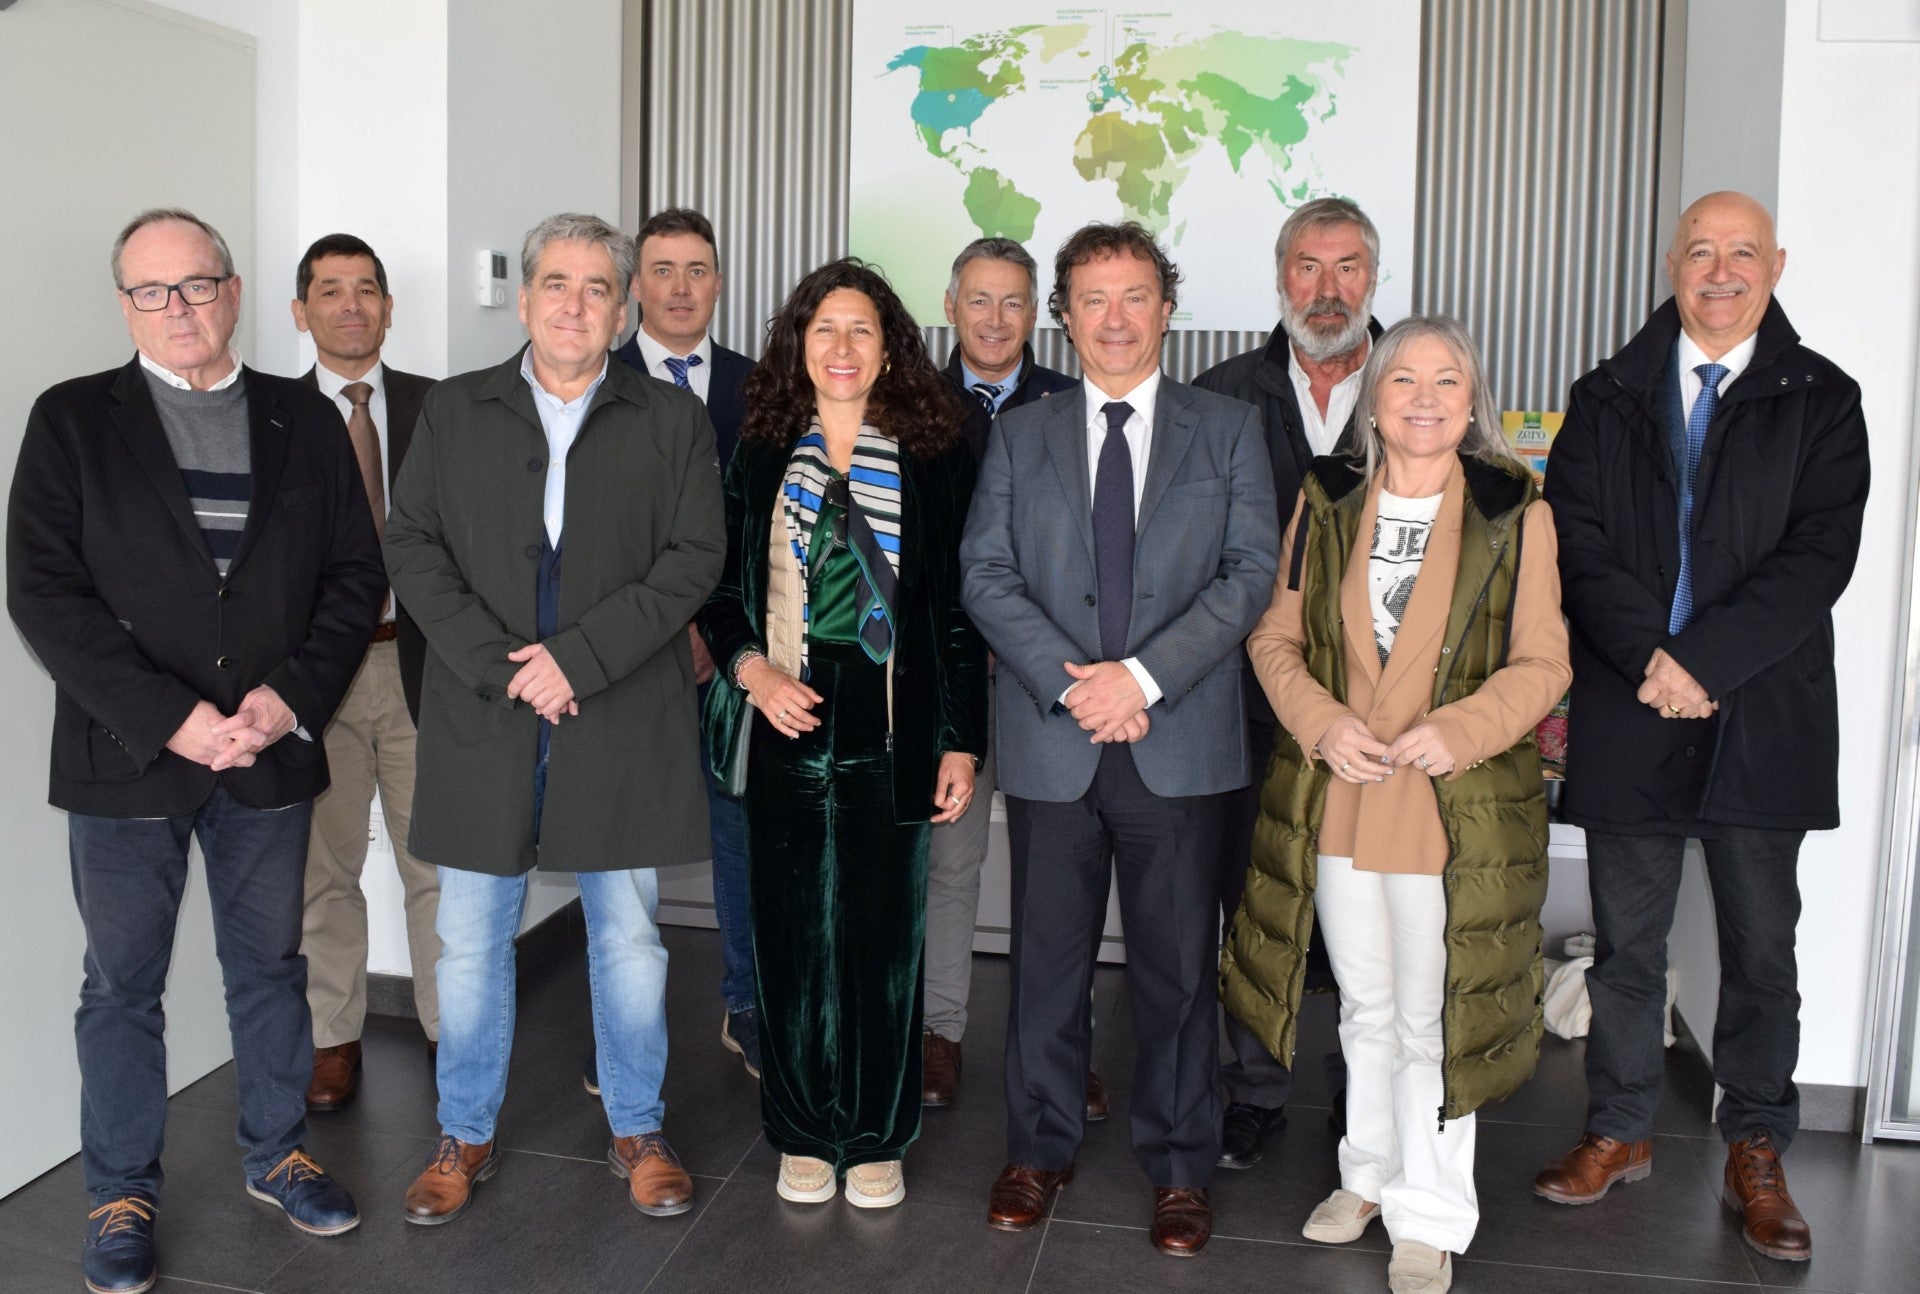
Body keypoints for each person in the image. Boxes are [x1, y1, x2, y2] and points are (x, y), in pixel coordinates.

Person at [7, 208, 385, 1293]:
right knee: (120, 984)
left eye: (197, 285)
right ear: (125, 304)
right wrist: (170, 716)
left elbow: (354, 578)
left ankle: (278, 1152)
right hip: (127, 759)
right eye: (152, 292)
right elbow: (42, 592)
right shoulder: (73, 420)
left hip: (266, 752)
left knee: (268, 967)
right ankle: (119, 1191)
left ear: (233, 288)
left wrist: (287, 701)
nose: (179, 309)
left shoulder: (303, 421)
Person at [1534, 191, 1870, 1264]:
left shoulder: (1824, 397)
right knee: (1630, 948)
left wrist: (1707, 662)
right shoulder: (1606, 394)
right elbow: (1576, 544)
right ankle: (1621, 1125)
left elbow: (1821, 556)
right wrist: (1654, 660)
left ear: (1774, 262)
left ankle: (1758, 1145)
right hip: (1635, 705)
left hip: (1760, 708)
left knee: (1761, 949)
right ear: (1670, 262)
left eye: (1740, 253)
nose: (1719, 271)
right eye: (1699, 252)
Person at [1221, 315, 1570, 1293]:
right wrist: (1322, 721)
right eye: (1403, 378)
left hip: (1448, 811)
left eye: (1445, 380)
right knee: (1366, 1007)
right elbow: (1273, 639)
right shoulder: (1327, 500)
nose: (1422, 396)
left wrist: (1460, 730)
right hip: (1340, 796)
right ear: (1373, 397)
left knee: (1434, 1019)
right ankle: (1365, 1176)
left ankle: (1431, 1213)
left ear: (1472, 401)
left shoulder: (1516, 510)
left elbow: (1546, 662)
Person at [387, 213, 723, 1225]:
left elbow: (693, 559)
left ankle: (637, 1126)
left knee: (628, 937)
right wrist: (510, 668)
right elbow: (413, 548)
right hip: (486, 717)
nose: (574, 303)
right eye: (556, 283)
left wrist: (575, 659)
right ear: (527, 296)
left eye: (595, 288)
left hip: (617, 712)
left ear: (622, 313)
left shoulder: (672, 421)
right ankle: (465, 1134)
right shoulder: (454, 410)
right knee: (473, 939)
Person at [962, 221, 1278, 1256]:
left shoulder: (1226, 429)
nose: (1113, 318)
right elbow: (987, 577)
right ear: (1064, 314)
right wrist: (1082, 689)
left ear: (1167, 308)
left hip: (1178, 740)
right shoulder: (1019, 435)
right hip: (1058, 741)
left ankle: (1182, 1166)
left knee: (1179, 969)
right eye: (1091, 299)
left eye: (1133, 295)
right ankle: (1038, 1148)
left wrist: (1139, 678)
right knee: (1045, 965)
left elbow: (1246, 574)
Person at [699, 257, 986, 1210]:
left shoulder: (931, 453)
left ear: (891, 346)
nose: (843, 347)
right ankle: (799, 1128)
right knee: (788, 940)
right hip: (786, 711)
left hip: (893, 722)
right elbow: (720, 592)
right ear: (799, 344)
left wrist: (961, 741)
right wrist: (754, 674)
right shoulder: (761, 449)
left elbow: (952, 612)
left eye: (862, 329)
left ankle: (873, 1134)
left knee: (880, 941)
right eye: (825, 329)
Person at [1194, 196, 1383, 1164]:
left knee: (1368, 911)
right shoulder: (1221, 393)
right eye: (1308, 268)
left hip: (1379, 713)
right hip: (1243, 703)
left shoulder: (1418, 385)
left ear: (1373, 279)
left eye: (1346, 267)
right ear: (1280, 277)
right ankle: (1255, 1091)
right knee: (1254, 906)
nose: (1326, 289)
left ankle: (1365, 1097)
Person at [591, 206, 761, 1085]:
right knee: (621, 850)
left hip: (733, 657)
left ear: (718, 283)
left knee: (739, 831)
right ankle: (624, 1034)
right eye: (662, 270)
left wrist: (714, 631)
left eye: (698, 270)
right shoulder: (591, 377)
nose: (681, 287)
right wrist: (662, 628)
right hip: (624, 658)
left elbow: (769, 529)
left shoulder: (765, 385)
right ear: (634, 286)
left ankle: (749, 1011)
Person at [922, 236, 1078, 1112]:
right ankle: (941, 1032)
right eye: (978, 300)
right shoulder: (908, 406)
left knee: (1062, 868)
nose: (994, 319)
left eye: (1013, 302)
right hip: (952, 676)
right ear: (950, 307)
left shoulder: (1071, 402)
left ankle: (1064, 1042)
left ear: (1038, 313)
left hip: (1051, 674)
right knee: (953, 861)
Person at [290, 232, 441, 1109]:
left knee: (438, 866)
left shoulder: (439, 407)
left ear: (389, 306)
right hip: (319, 678)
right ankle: (333, 1037)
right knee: (325, 868)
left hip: (421, 669)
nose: (352, 305)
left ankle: (446, 1028)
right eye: (331, 290)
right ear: (301, 310)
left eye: (368, 289)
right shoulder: (273, 415)